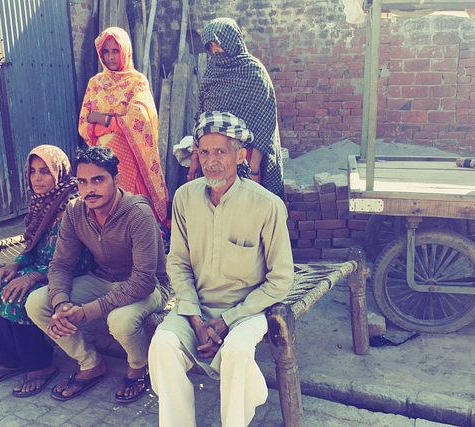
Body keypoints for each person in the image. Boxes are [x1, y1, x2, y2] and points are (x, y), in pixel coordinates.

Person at [149, 112, 294, 426]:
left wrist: (229, 320)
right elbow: (178, 262)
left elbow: (281, 279)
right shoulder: (185, 198)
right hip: (195, 308)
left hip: (246, 310)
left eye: (221, 151)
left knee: (238, 352)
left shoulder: (267, 205)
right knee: (162, 345)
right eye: (204, 152)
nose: (211, 161)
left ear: (240, 155)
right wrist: (196, 318)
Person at [25, 145, 171, 403]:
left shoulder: (138, 213)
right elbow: (60, 264)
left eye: (98, 180)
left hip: (150, 288)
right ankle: (90, 363)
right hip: (102, 279)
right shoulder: (75, 211)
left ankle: (139, 366)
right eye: (82, 181)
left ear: (117, 180)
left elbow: (144, 281)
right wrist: (62, 303)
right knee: (37, 303)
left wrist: (86, 311)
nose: (89, 189)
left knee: (120, 320)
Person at [0, 145, 91, 397]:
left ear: (59, 173)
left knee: (21, 297)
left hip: (67, 273)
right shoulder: (41, 203)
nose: (36, 178)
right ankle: (8, 360)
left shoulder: (74, 206)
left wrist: (35, 276)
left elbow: (83, 260)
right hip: (37, 266)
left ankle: (40, 366)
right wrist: (13, 265)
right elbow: (32, 247)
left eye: (45, 171)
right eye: (33, 171)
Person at [78, 26, 169, 225]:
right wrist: (116, 121)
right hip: (101, 155)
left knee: (130, 205)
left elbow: (140, 119)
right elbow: (85, 123)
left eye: (115, 51)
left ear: (125, 51)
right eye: (106, 51)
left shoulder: (137, 82)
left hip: (130, 153)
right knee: (104, 202)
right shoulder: (95, 83)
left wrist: (104, 120)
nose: (110, 57)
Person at [187, 18, 284, 197]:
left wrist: (253, 169)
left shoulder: (254, 72)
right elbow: (201, 117)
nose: (215, 50)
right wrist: (195, 158)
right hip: (213, 159)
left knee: (249, 211)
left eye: (218, 44)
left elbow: (265, 125)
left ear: (232, 41)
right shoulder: (212, 72)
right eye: (210, 46)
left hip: (246, 158)